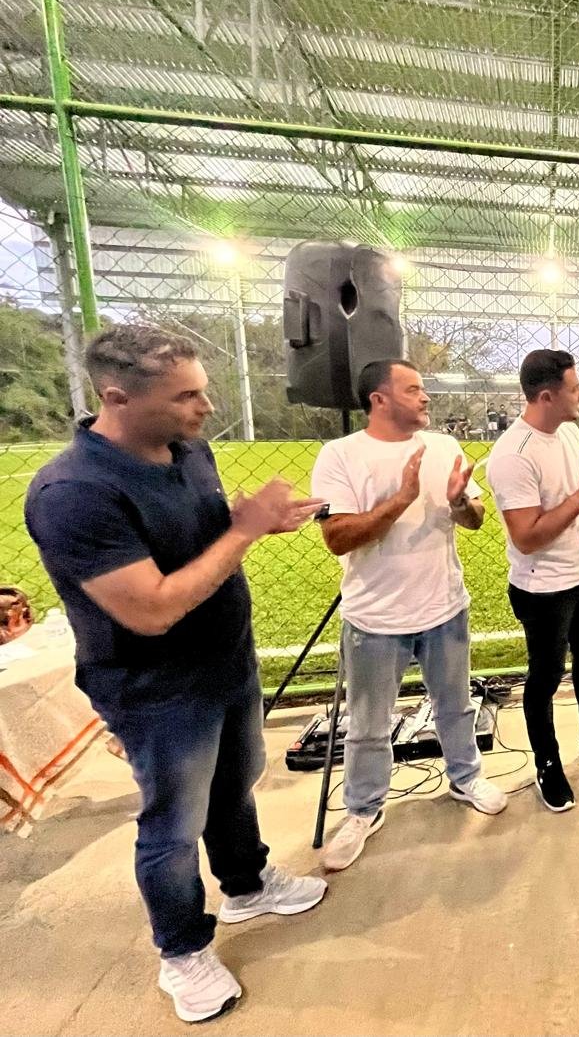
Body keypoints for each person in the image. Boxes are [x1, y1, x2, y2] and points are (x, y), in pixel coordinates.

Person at [24, 325, 327, 1024]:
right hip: (156, 687)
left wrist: (253, 522)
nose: (205, 408)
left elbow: (203, 538)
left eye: (203, 391)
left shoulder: (189, 449)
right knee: (173, 822)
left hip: (227, 660)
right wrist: (243, 532)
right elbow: (153, 610)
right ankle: (182, 950)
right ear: (117, 398)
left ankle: (246, 884)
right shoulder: (74, 492)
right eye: (185, 396)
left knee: (235, 782)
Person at [310, 359, 508, 873]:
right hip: (374, 618)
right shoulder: (341, 455)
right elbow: (338, 538)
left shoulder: (442, 447)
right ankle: (363, 809)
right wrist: (401, 498)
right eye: (413, 389)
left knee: (455, 706)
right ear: (379, 399)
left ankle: (466, 777)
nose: (425, 397)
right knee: (368, 724)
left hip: (444, 607)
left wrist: (459, 501)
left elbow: (474, 519)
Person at [486, 350, 579, 812]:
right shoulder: (513, 456)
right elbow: (527, 537)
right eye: (574, 388)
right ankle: (548, 763)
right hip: (542, 589)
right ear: (547, 397)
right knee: (546, 676)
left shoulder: (569, 432)